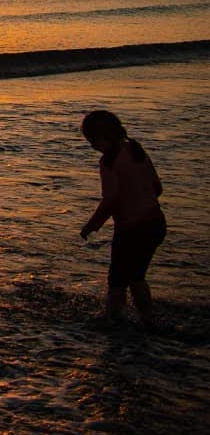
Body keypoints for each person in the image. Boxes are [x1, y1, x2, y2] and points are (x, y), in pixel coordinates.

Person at [79, 109, 166, 324]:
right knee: (136, 276)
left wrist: (91, 225)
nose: (92, 146)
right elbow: (158, 188)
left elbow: (111, 200)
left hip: (132, 229)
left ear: (105, 137)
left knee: (118, 280)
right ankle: (147, 318)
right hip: (156, 223)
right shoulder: (136, 150)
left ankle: (114, 320)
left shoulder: (109, 161)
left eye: (93, 140)